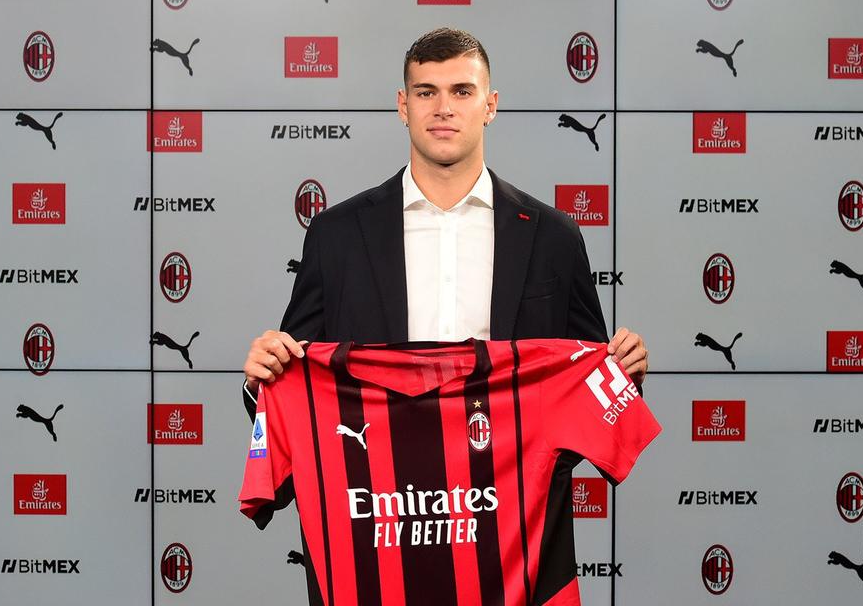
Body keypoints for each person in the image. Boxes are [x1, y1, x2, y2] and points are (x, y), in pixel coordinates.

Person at [242, 27, 647, 414]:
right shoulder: (336, 235)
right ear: (403, 106)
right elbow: (293, 382)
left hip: (514, 465)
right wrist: (261, 383)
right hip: (381, 463)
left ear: (490, 105)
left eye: (462, 91)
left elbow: (592, 386)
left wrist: (624, 376)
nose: (443, 109)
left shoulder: (554, 237)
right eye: (426, 92)